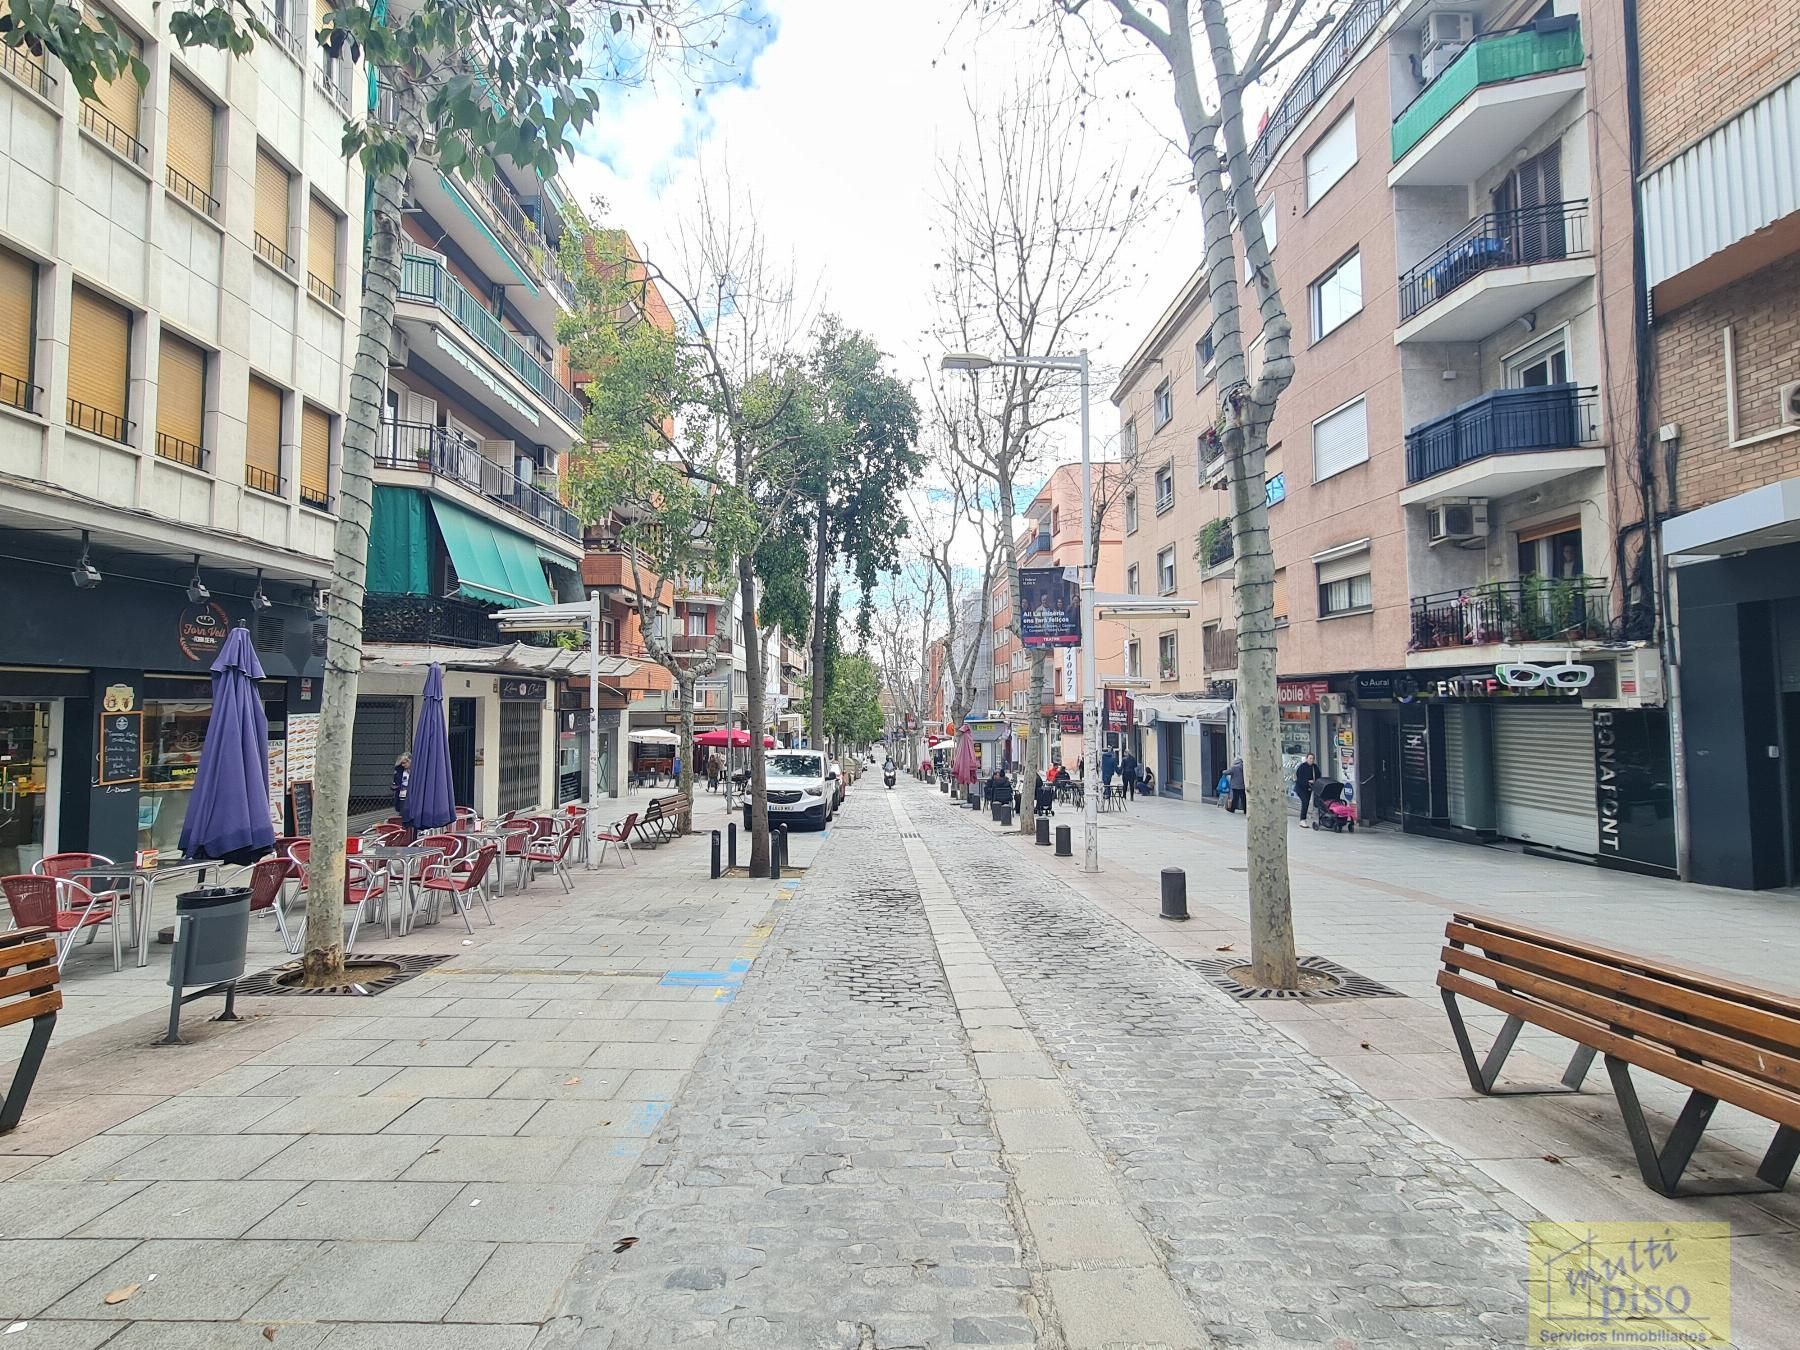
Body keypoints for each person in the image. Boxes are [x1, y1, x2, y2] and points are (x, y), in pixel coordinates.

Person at [1294, 752, 1318, 824]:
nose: (1311, 760)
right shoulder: (1302, 767)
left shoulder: (1315, 767)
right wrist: (1308, 781)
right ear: (1306, 759)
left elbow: (1318, 776)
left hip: (1309, 789)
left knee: (1306, 802)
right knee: (1305, 801)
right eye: (1310, 758)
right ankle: (1302, 819)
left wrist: (1314, 781)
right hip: (1300, 788)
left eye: (1313, 759)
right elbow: (1299, 778)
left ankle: (1303, 819)